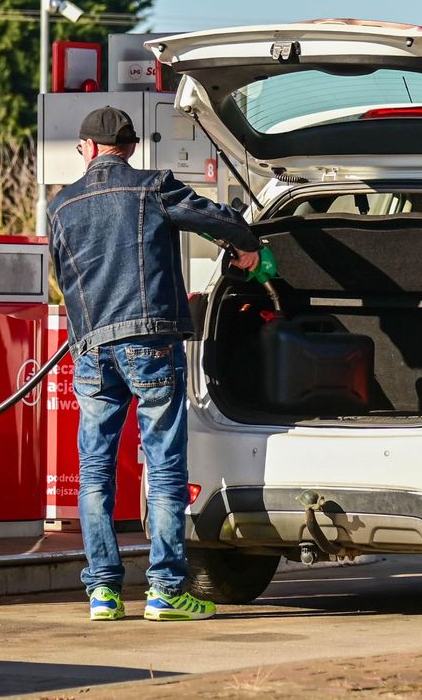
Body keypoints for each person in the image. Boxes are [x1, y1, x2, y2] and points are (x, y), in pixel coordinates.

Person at [46, 106, 261, 622]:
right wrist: (247, 245)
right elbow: (215, 219)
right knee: (163, 466)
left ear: (88, 148)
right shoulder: (153, 186)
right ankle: (165, 591)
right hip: (150, 343)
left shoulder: (61, 205)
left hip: (92, 348)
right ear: (130, 148)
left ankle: (103, 592)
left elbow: (61, 275)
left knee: (95, 471)